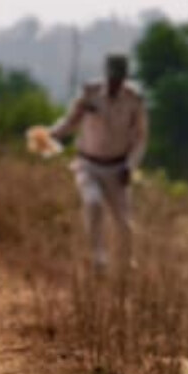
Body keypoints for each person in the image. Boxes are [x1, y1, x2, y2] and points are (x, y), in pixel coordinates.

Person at [50, 53, 149, 272]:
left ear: (125, 77)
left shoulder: (134, 100)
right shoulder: (90, 94)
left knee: (124, 223)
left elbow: (141, 138)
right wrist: (52, 134)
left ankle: (125, 266)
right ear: (106, 75)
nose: (115, 82)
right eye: (112, 77)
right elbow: (71, 121)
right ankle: (98, 259)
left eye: (119, 78)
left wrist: (130, 166)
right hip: (88, 164)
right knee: (93, 203)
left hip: (117, 167)